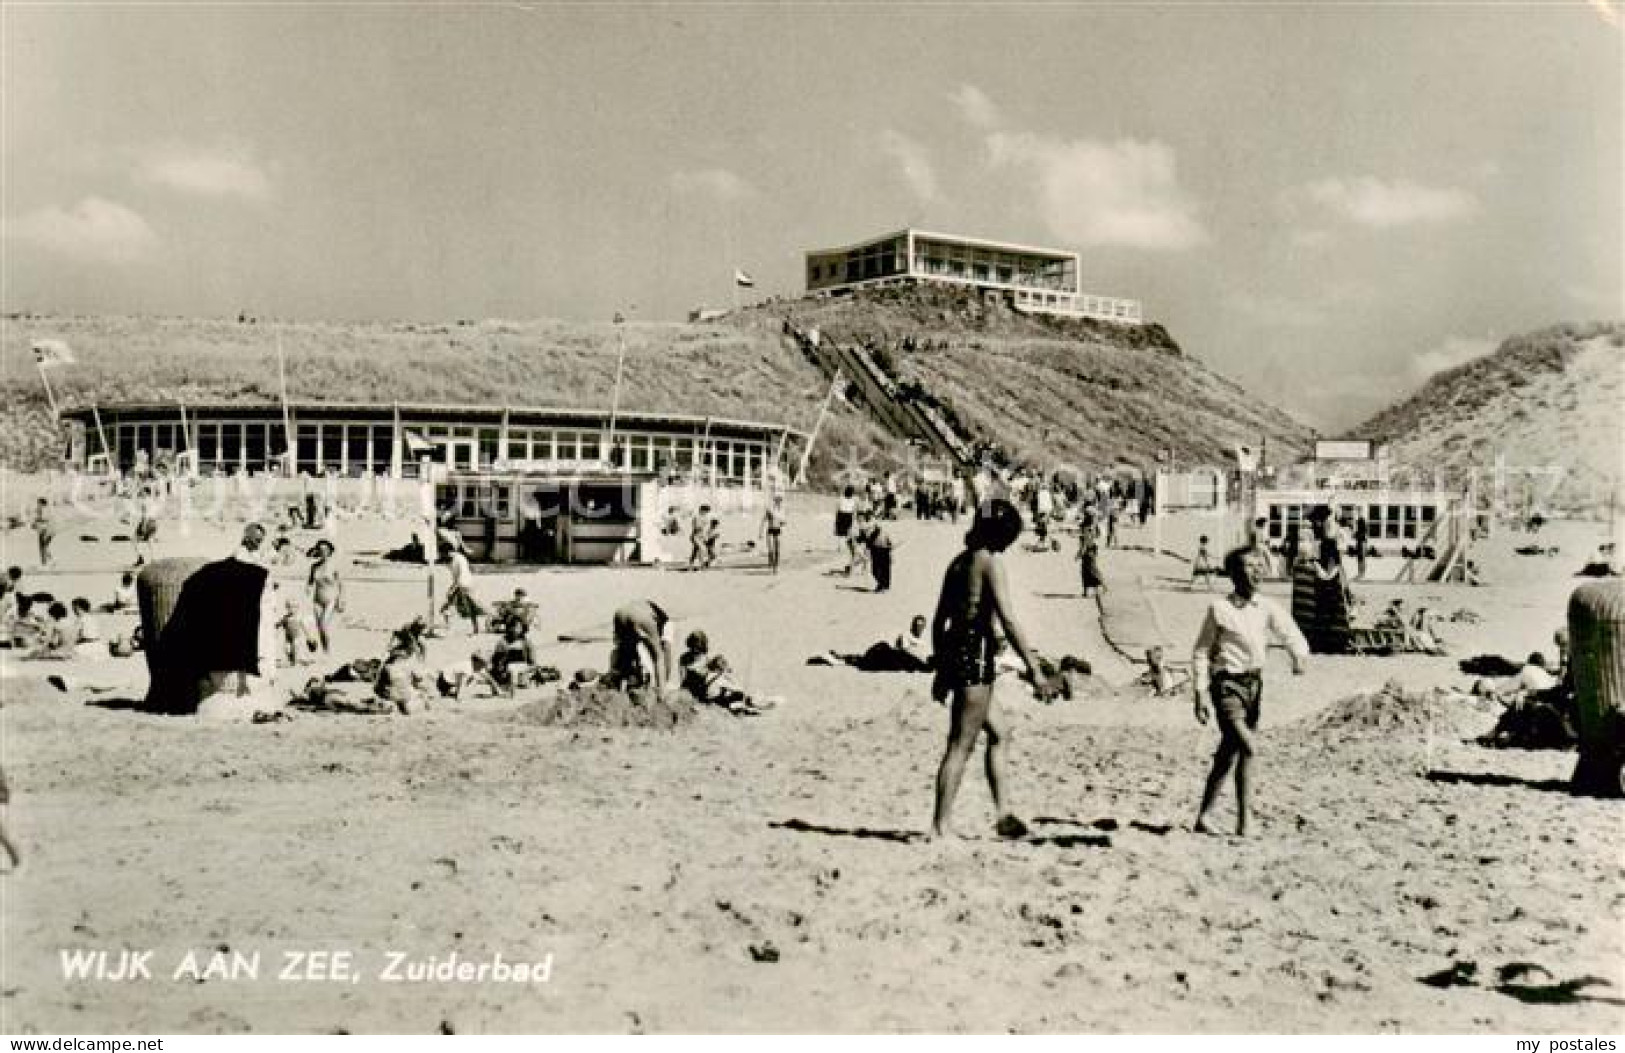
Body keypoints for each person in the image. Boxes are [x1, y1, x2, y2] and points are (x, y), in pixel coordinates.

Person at [929, 499, 1059, 841]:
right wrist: (1035, 669)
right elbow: (1009, 619)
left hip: (957, 650)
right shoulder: (990, 562)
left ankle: (1003, 815)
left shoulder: (957, 563)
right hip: (977, 654)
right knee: (960, 744)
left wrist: (941, 668)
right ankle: (940, 827)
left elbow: (938, 620)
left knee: (1000, 733)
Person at [1190, 546, 1310, 837]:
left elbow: (1288, 630)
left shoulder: (1266, 606)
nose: (1256, 571)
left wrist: (1299, 655)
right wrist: (1200, 693)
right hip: (1226, 685)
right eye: (1249, 566)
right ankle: (1247, 821)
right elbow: (1202, 651)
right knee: (1248, 746)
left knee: (1229, 754)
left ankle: (1206, 816)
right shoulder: (1220, 609)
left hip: (1254, 686)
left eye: (1260, 565)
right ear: (1232, 573)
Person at [608, 599, 675, 696]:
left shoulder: (651, 610)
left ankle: (617, 690)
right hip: (640, 617)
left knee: (626, 654)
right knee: (658, 656)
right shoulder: (668, 625)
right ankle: (661, 694)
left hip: (620, 613)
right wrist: (664, 683)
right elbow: (664, 654)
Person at [306, 539, 344, 655]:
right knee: (320, 628)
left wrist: (341, 600)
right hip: (317, 600)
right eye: (320, 550)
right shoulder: (314, 566)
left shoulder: (334, 566)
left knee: (323, 625)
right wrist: (307, 588)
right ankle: (324, 650)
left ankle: (327, 651)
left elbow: (341, 584)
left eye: (325, 550)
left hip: (330, 599)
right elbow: (310, 582)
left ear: (330, 551)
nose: (323, 552)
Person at [440, 545, 484, 634]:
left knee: (447, 606)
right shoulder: (460, 557)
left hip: (462, 585)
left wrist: (453, 588)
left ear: (448, 552)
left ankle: (448, 628)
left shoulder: (456, 560)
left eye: (443, 554)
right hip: (468, 584)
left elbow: (460, 576)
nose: (442, 556)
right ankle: (476, 628)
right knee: (472, 607)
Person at [488, 619, 537, 696]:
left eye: (518, 627)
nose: (515, 630)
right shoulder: (503, 641)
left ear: (522, 629)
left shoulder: (526, 641)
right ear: (509, 628)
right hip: (507, 668)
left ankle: (519, 682)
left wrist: (532, 666)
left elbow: (532, 658)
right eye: (513, 627)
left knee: (522, 682)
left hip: (523, 667)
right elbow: (496, 658)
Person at [864, 517, 895, 593]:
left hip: (883, 551)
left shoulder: (883, 532)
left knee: (884, 570)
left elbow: (890, 543)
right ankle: (882, 585)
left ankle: (883, 585)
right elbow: (868, 544)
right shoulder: (870, 532)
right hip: (876, 551)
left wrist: (891, 553)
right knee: (876, 570)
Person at [759, 494, 787, 574]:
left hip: (778, 530)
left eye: (780, 501)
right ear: (775, 501)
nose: (778, 502)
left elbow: (784, 522)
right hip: (770, 530)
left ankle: (776, 567)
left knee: (777, 548)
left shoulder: (782, 511)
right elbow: (763, 521)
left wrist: (783, 523)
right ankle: (771, 562)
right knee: (770, 549)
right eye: (777, 501)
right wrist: (760, 532)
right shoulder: (770, 510)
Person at [835, 487, 858, 571]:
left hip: (841, 514)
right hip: (848, 515)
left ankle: (840, 547)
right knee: (847, 532)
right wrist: (854, 520)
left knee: (840, 532)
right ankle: (846, 546)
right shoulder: (852, 500)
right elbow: (853, 511)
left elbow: (837, 509)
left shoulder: (841, 498)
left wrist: (836, 519)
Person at [1078, 529, 1105, 598]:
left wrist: (1080, 555)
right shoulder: (1086, 541)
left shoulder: (1090, 543)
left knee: (1091, 575)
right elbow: (1081, 550)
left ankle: (1103, 587)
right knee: (1088, 576)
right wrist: (1078, 555)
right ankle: (1086, 592)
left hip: (1089, 562)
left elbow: (1083, 551)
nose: (1086, 534)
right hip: (1087, 561)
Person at [32, 499, 55, 568]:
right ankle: (47, 562)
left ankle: (46, 562)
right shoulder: (39, 510)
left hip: (48, 530)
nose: (37, 504)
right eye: (37, 503)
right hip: (43, 530)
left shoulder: (45, 510)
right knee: (43, 547)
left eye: (38, 503)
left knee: (43, 547)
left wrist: (37, 521)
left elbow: (46, 520)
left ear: (42, 503)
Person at [688, 505, 711, 569]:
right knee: (702, 549)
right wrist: (701, 528)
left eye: (707, 512)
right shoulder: (696, 517)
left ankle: (691, 564)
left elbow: (706, 528)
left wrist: (705, 535)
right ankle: (702, 565)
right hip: (695, 536)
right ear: (702, 510)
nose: (706, 513)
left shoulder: (705, 517)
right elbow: (696, 527)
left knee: (695, 551)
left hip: (701, 537)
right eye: (705, 511)